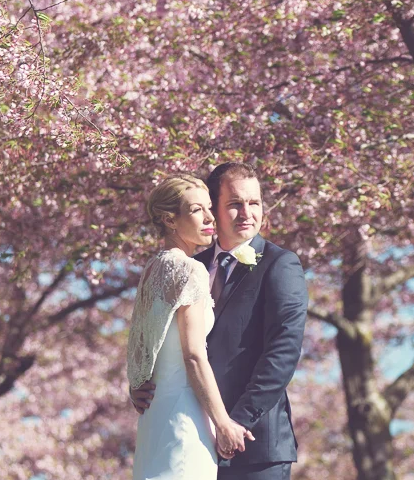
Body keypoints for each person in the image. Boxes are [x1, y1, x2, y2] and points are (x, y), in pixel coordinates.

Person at [131, 162, 309, 480]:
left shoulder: (280, 264)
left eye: (254, 203)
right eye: (235, 204)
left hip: (252, 445)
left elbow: (282, 353)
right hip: (191, 431)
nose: (247, 213)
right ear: (213, 207)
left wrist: (235, 422)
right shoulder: (187, 264)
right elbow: (152, 333)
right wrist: (139, 382)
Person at [128, 175, 255, 480]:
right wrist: (223, 423)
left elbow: (140, 343)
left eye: (209, 207)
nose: (211, 217)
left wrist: (135, 386)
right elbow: (194, 356)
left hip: (155, 416)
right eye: (197, 210)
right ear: (170, 220)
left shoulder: (153, 269)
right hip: (186, 416)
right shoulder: (190, 269)